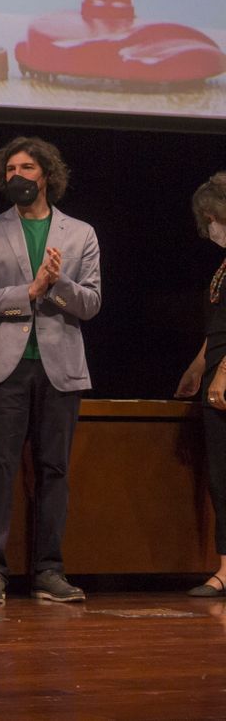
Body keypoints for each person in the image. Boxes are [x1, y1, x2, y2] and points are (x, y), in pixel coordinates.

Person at [0, 136, 102, 605]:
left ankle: (49, 570)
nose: (16, 176)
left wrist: (56, 285)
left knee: (54, 469)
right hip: (3, 367)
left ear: (46, 174)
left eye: (26, 167)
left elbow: (92, 303)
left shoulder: (80, 233)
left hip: (60, 367)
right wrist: (29, 289)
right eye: (10, 170)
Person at [174, 171, 226, 596]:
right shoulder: (223, 265)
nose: (210, 225)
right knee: (220, 476)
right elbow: (219, 328)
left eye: (214, 216)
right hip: (216, 374)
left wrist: (224, 371)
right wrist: (198, 365)